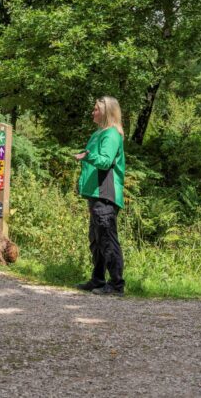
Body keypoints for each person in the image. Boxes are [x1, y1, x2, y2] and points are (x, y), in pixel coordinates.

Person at [73, 96, 126, 296]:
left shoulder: (111, 134)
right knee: (96, 239)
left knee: (107, 239)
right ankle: (98, 279)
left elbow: (104, 162)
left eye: (96, 109)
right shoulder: (98, 134)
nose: (92, 112)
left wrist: (88, 156)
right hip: (95, 193)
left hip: (105, 194)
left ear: (105, 112)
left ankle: (116, 284)